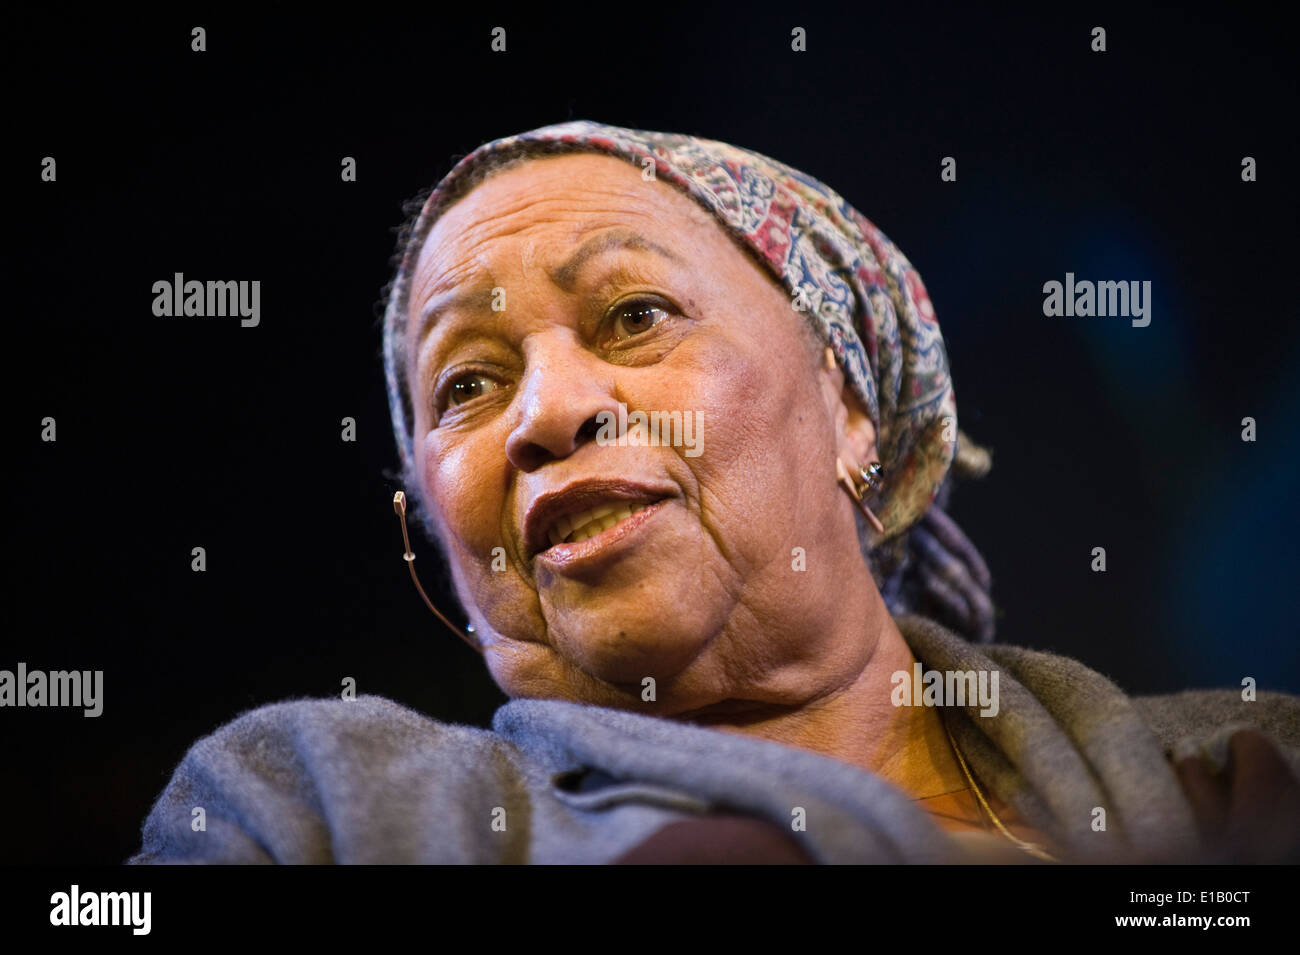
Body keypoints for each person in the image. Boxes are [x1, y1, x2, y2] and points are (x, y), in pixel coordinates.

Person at [129, 121, 1300, 864]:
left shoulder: (1258, 765)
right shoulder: (308, 809)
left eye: (635, 316)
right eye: (468, 385)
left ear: (849, 407)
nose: (544, 412)